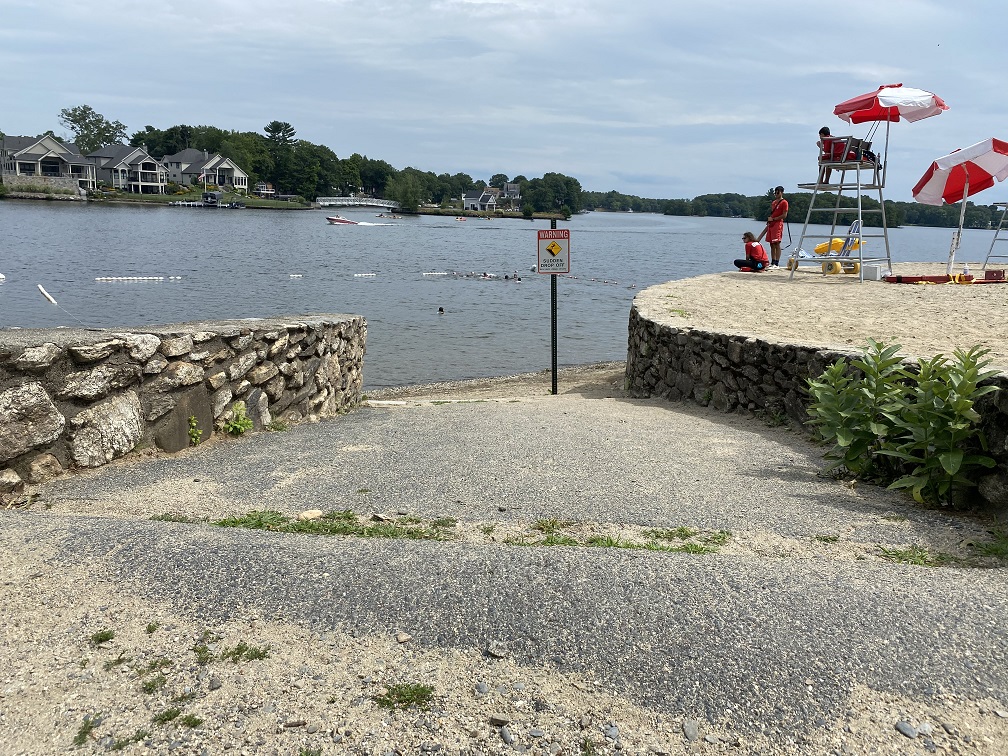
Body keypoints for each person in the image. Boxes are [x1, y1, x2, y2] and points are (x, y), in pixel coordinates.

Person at [760, 186, 788, 268]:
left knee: (777, 243)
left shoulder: (784, 202)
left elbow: (784, 215)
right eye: (775, 193)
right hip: (771, 224)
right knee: (771, 243)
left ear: (782, 192)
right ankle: (772, 261)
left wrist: (774, 219)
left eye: (777, 192)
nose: (776, 194)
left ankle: (777, 262)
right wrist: (770, 220)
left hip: (778, 224)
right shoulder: (774, 202)